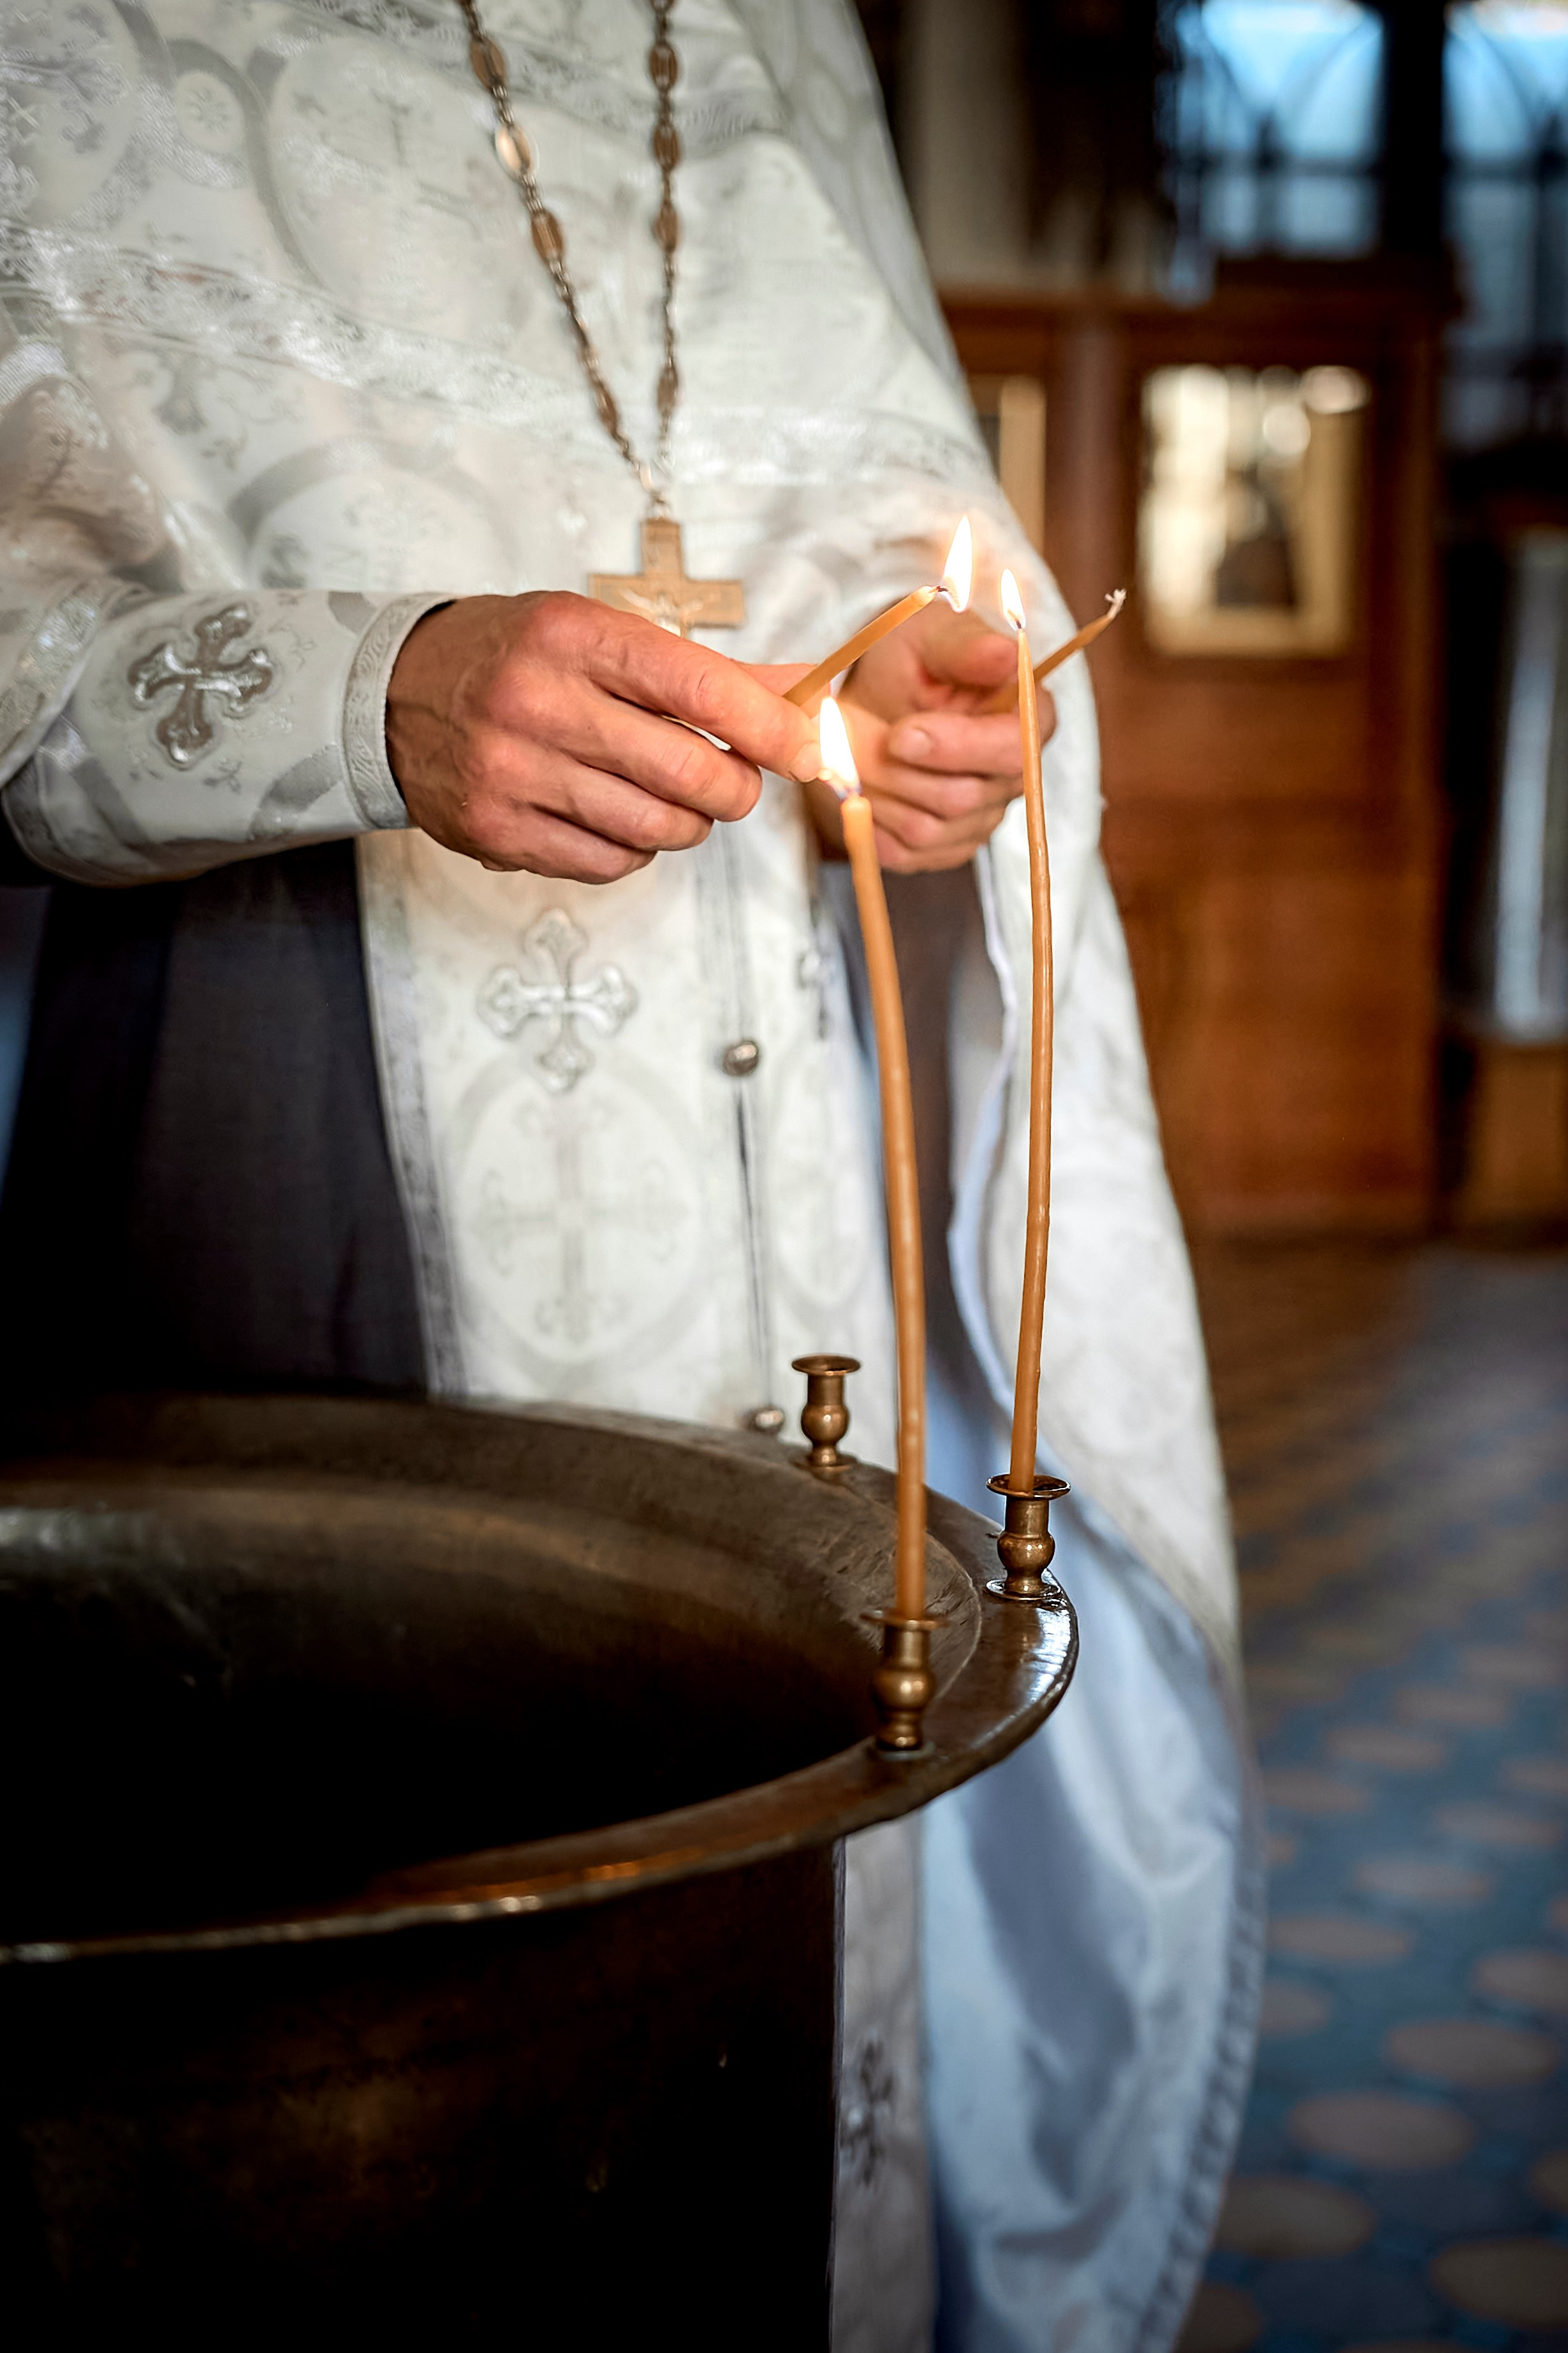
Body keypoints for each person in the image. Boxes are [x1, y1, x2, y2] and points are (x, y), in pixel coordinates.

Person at [0, 1, 1259, 2345]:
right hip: (293, 1112)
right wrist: (360, 692)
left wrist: (893, 708)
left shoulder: (782, 25)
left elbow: (878, 541)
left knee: (773, 1971)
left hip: (797, 1143)